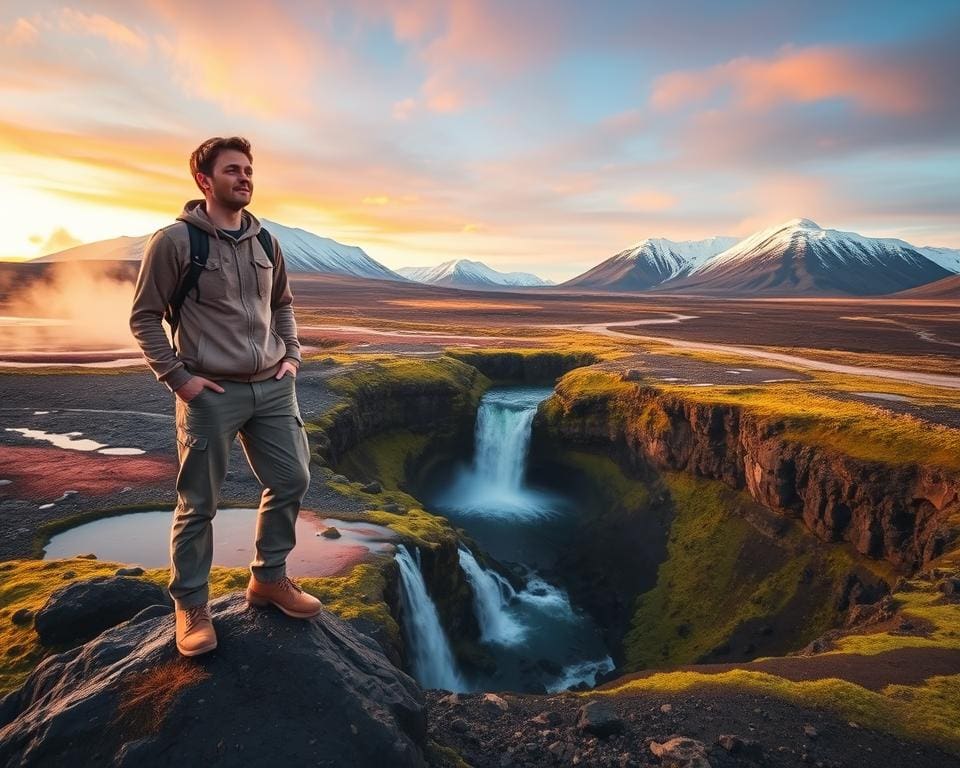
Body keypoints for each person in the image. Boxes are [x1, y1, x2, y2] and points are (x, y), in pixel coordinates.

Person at [129, 136, 322, 657]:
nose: (245, 177)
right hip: (209, 391)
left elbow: (282, 304)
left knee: (292, 478)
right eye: (233, 170)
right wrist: (178, 378)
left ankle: (268, 579)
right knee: (199, 503)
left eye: (249, 169)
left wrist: (292, 356)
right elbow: (144, 317)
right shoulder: (174, 242)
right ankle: (191, 605)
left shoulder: (266, 243)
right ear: (204, 180)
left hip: (273, 387)